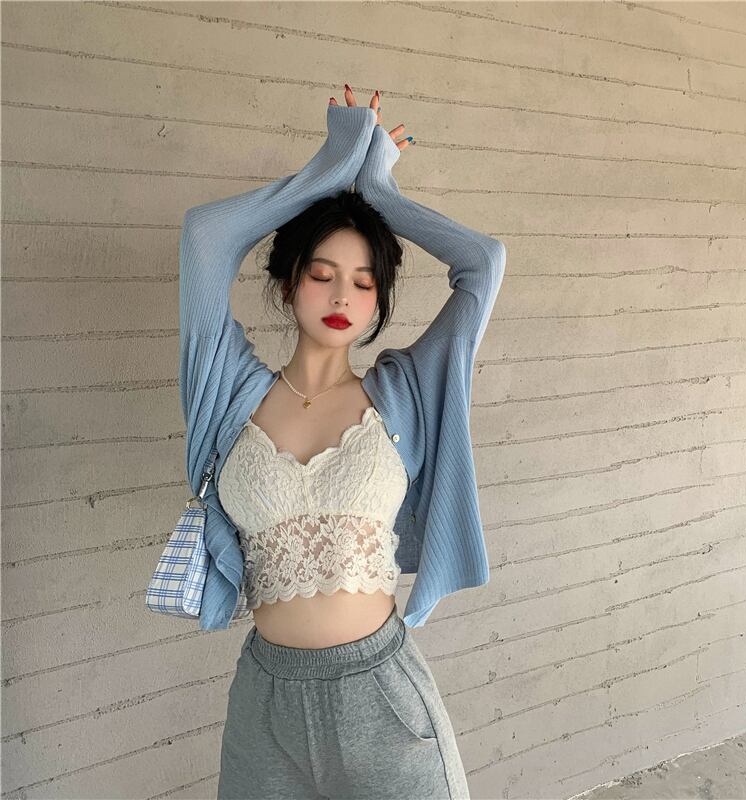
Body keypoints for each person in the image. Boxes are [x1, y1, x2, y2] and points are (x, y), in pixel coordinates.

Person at [179, 83, 505, 799]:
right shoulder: (229, 391)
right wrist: (331, 166)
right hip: (265, 707)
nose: (340, 297)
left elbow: (484, 262)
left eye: (363, 283)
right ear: (288, 284)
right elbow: (204, 237)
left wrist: (375, 188)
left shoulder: (403, 394)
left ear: (379, 302)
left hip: (381, 697)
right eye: (322, 275)